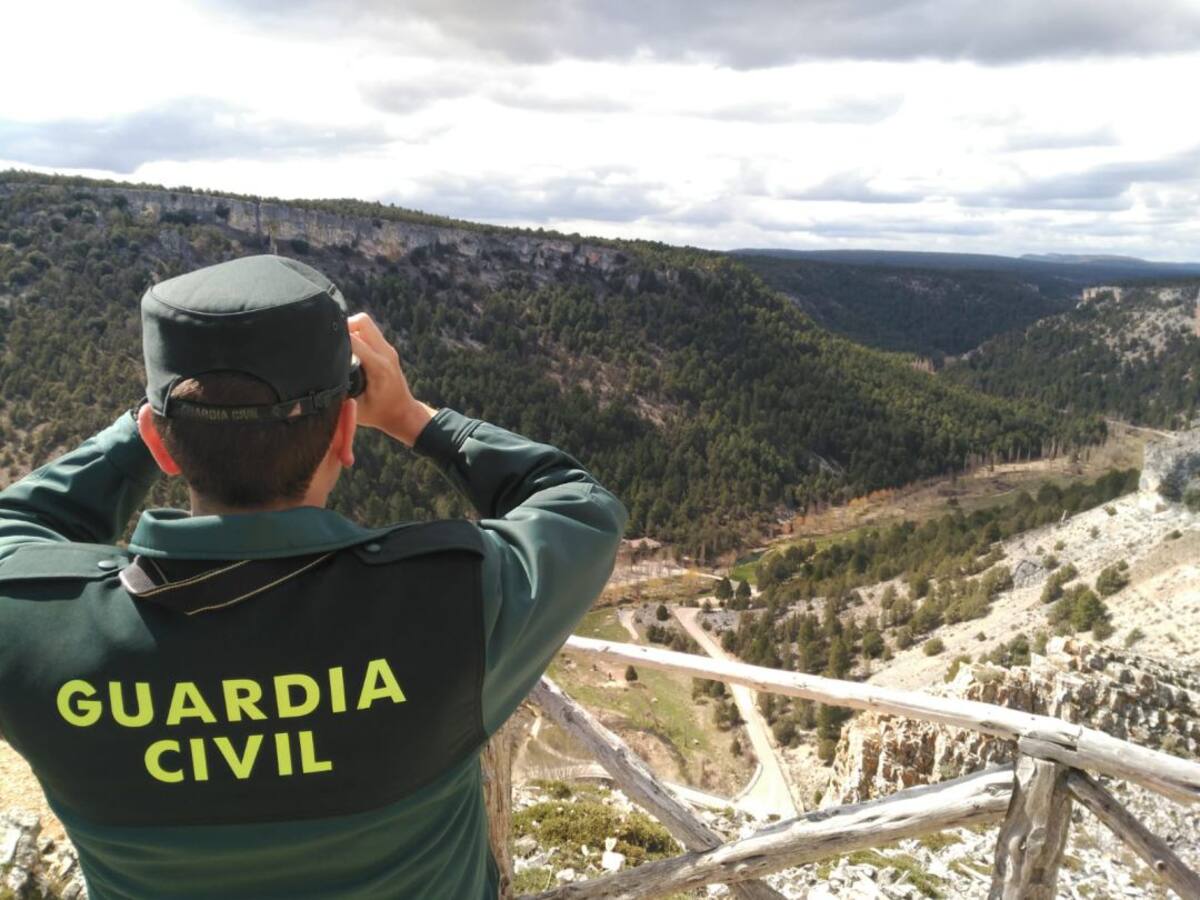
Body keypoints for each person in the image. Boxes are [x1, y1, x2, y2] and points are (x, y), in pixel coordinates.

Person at [0, 254, 627, 899]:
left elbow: (17, 524)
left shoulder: (29, 627)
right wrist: (415, 419)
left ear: (160, 444)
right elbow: (580, 506)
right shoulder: (455, 600)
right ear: (346, 432)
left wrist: (163, 421)